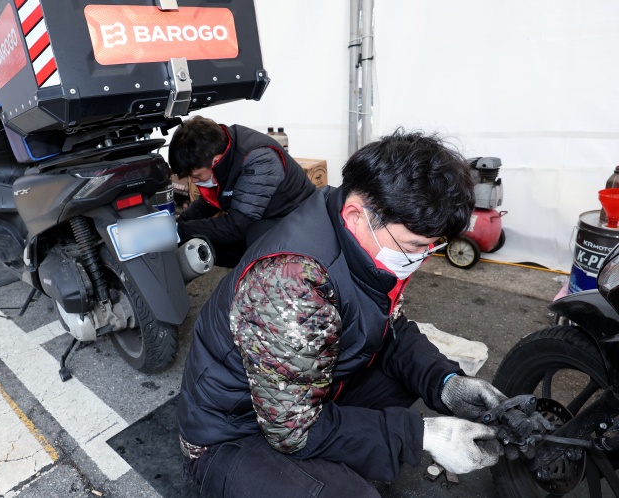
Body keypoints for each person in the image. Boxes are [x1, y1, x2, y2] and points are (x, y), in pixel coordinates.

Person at [177, 130, 508, 497]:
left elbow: (389, 328)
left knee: (406, 376)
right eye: (415, 245)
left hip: (303, 393)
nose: (422, 256)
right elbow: (292, 432)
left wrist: (445, 383)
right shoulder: (291, 283)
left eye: (432, 246)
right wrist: (423, 435)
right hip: (235, 431)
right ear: (357, 215)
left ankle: (335, 465)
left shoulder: (359, 230)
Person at [168, 116, 315, 267]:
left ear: (216, 160)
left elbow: (238, 225)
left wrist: (181, 230)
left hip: (297, 222)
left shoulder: (260, 159)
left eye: (196, 176)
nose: (194, 181)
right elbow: (211, 200)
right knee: (201, 239)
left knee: (229, 241)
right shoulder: (223, 149)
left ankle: (259, 281)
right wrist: (179, 222)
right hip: (265, 215)